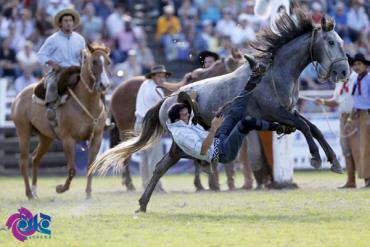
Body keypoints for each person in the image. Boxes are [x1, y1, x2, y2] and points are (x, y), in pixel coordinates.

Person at [167, 90, 294, 165]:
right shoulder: (181, 134)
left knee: (235, 110)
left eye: (187, 113)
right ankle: (280, 128)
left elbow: (191, 113)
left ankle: (255, 77)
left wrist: (191, 100)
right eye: (185, 114)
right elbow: (203, 150)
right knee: (246, 122)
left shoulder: (182, 123)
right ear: (178, 119)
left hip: (218, 141)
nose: (188, 115)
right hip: (221, 153)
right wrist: (213, 128)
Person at [37, 8, 86, 127]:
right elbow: (41, 54)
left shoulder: (79, 39)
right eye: (66, 21)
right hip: (60, 70)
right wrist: (52, 63)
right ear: (60, 23)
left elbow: (84, 57)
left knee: (96, 85)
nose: (69, 23)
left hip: (77, 70)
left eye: (70, 20)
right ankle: (51, 110)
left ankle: (101, 114)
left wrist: (83, 56)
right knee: (52, 83)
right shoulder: (53, 39)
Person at [315, 56, 358, 188]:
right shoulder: (340, 81)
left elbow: (360, 100)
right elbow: (336, 101)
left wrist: (351, 117)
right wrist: (323, 102)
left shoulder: (356, 79)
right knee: (346, 149)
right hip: (343, 117)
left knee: (358, 148)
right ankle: (351, 180)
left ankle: (365, 177)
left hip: (355, 116)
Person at [135, 65, 176, 191]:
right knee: (154, 157)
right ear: (153, 76)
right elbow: (164, 109)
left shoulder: (145, 84)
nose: (162, 79)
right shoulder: (156, 91)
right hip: (150, 125)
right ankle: (155, 186)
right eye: (159, 76)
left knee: (144, 156)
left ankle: (145, 184)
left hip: (139, 122)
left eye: (163, 76)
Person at [348, 53, 370, 188]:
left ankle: (368, 179)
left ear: (365, 65)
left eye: (359, 64)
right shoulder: (357, 80)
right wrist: (350, 119)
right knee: (362, 149)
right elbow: (356, 102)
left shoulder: (368, 79)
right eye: (355, 64)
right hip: (359, 116)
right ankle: (367, 178)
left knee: (366, 149)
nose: (356, 67)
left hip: (367, 115)